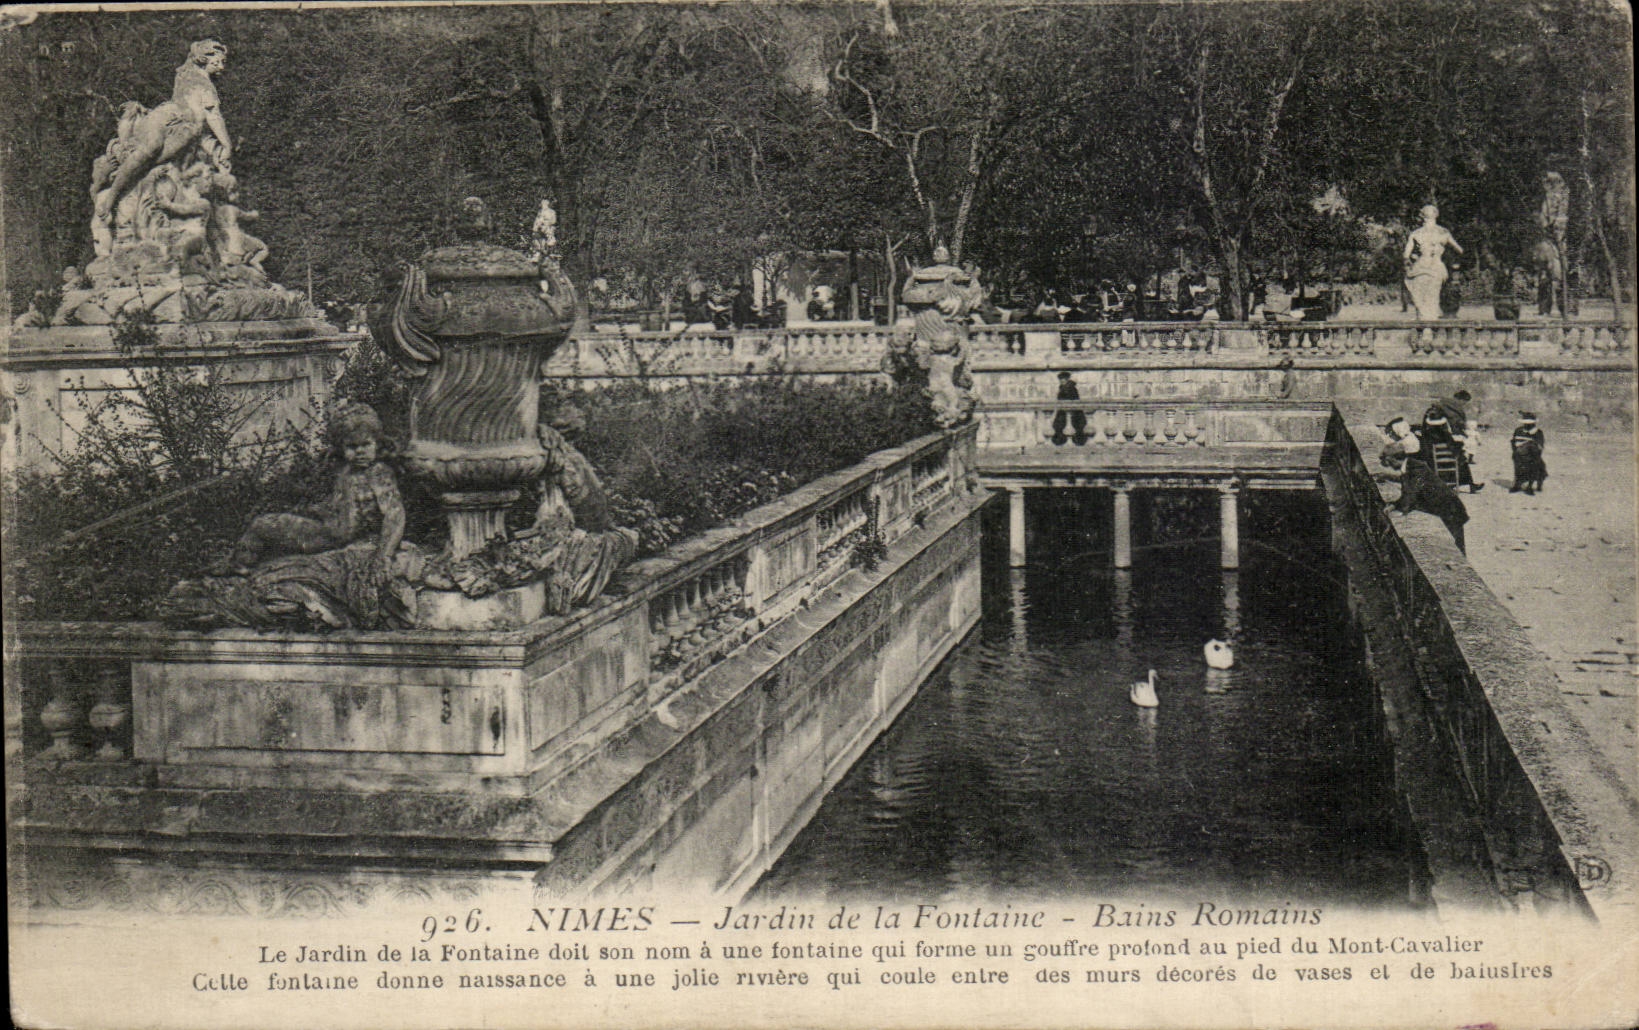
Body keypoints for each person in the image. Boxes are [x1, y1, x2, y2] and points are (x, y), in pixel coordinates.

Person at [224, 401, 405, 577]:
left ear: (377, 443)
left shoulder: (378, 473)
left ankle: (239, 566)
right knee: (273, 523)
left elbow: (394, 514)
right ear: (341, 448)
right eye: (352, 446)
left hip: (330, 538)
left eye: (366, 444)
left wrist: (384, 556)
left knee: (262, 524)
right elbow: (341, 506)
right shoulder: (347, 472)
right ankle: (241, 566)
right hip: (330, 530)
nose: (360, 452)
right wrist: (315, 511)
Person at [1380, 416, 1469, 553]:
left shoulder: (1416, 468)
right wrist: (1394, 505)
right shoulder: (1411, 466)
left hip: (1450, 509)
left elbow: (1411, 493)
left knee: (1456, 546)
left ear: (1396, 459)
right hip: (1444, 507)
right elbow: (1408, 490)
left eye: (1389, 462)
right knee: (1454, 544)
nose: (1389, 466)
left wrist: (1401, 509)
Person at [1403, 204, 1463, 320]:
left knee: (1420, 298)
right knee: (1432, 298)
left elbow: (1406, 255)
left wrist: (1410, 261)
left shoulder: (1416, 233)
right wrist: (1453, 263)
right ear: (1436, 215)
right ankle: (1430, 326)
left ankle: (1423, 323)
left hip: (1419, 268)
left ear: (1422, 217)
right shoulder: (1443, 232)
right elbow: (1459, 250)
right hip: (1436, 267)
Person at [1510, 411, 1548, 495]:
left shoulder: (1538, 432)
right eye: (1526, 423)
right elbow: (1513, 442)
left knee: (1535, 466)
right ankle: (1517, 485)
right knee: (1518, 468)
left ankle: (1530, 486)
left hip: (1532, 456)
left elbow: (1540, 446)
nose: (1528, 425)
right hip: (1519, 455)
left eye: (1530, 424)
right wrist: (1516, 451)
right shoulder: (1518, 430)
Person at [1050, 371, 1087, 445]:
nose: (1061, 381)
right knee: (1060, 426)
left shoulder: (1070, 388)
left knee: (1071, 426)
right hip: (1064, 411)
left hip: (1072, 412)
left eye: (1063, 379)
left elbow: (1073, 400)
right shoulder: (1064, 388)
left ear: (1067, 379)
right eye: (1060, 379)